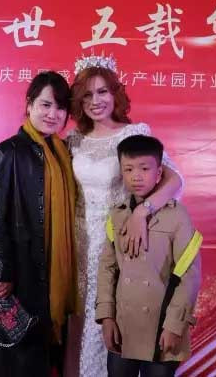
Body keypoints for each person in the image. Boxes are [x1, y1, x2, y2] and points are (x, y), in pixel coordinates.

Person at [65, 56, 185, 377]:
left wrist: (142, 212)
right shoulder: (73, 140)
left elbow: (174, 179)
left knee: (113, 324)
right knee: (78, 326)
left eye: (102, 92)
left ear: (115, 94)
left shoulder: (132, 134)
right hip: (76, 245)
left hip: (119, 241)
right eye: (87, 95)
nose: (96, 101)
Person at [0, 71, 77, 377]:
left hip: (53, 267)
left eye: (60, 108)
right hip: (22, 269)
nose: (53, 114)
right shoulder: (7, 151)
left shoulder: (63, 153)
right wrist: (3, 272)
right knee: (18, 356)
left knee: (43, 353)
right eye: (45, 105)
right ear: (29, 104)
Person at [96, 134, 201, 377]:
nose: (136, 176)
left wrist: (174, 325)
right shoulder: (117, 216)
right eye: (129, 169)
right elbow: (107, 270)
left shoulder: (178, 216)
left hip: (162, 328)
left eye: (144, 168)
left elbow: (189, 276)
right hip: (123, 328)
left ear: (159, 172)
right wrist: (106, 316)